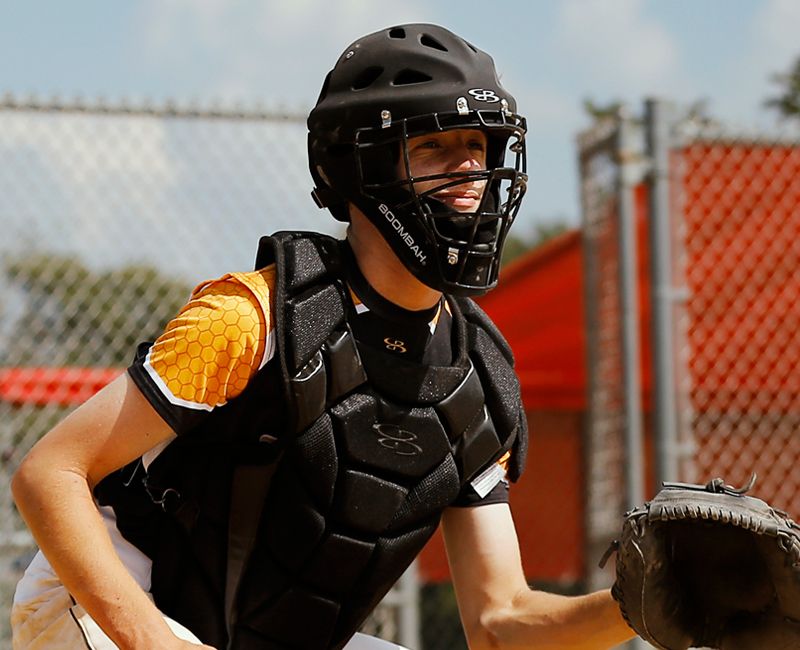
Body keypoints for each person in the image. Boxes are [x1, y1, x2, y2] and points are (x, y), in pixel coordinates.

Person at [10, 23, 635, 650]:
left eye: (478, 146)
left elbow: (500, 622)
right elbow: (50, 473)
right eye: (436, 147)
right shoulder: (255, 317)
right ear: (357, 165)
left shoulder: (480, 380)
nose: (470, 170)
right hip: (108, 606)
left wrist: (636, 608)